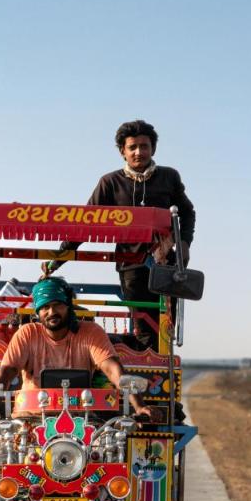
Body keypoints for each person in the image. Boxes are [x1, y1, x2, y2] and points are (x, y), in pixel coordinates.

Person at [43, 119, 195, 348]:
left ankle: (162, 373)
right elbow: (86, 223)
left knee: (165, 328)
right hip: (130, 266)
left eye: (144, 146)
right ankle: (145, 379)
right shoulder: (110, 183)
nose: (139, 152)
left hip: (166, 265)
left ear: (153, 148)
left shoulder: (169, 177)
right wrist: (58, 258)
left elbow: (187, 212)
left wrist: (184, 243)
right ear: (123, 152)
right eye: (132, 147)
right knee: (144, 328)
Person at [0, 277, 150, 429]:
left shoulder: (91, 332)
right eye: (45, 307)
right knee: (1, 461)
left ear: (68, 306)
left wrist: (139, 407)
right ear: (37, 312)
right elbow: (6, 374)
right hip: (29, 421)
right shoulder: (27, 333)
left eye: (57, 305)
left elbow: (114, 371)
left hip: (82, 421)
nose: (52, 312)